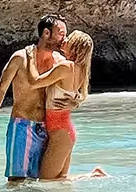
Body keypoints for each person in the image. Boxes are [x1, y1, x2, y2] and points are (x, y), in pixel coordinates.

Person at [0, 14, 81, 183]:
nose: (64, 38)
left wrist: (76, 99)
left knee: (43, 183)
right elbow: (1, 89)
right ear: (46, 33)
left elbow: (72, 88)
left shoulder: (60, 61)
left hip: (48, 128)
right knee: (16, 181)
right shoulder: (20, 58)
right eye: (61, 33)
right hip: (22, 125)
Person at [23, 30, 105, 180]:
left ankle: (94, 175)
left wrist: (30, 58)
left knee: (46, 181)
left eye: (69, 38)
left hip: (60, 134)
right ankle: (93, 175)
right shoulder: (79, 70)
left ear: (75, 46)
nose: (65, 40)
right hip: (65, 132)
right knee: (60, 180)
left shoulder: (66, 67)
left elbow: (34, 82)